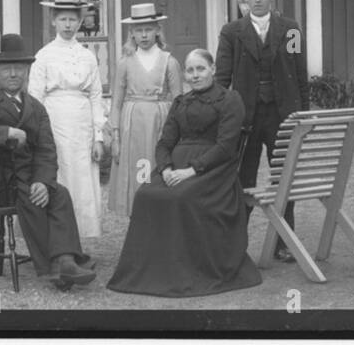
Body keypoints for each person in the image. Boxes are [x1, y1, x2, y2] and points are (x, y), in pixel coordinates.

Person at [108, 49, 262, 297]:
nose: (195, 75)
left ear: (212, 69)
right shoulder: (180, 102)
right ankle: (156, 270)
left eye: (200, 69)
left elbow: (226, 146)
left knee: (179, 198)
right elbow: (164, 143)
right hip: (176, 167)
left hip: (214, 171)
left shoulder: (230, 99)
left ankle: (184, 270)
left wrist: (191, 171)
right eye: (190, 70)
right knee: (145, 194)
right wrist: (167, 168)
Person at [0, 34, 97, 289]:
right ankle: (51, 266)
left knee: (59, 193)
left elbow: (46, 149)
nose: (13, 74)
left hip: (25, 178)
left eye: (19, 68)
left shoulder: (35, 107)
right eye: (6, 68)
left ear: (27, 72)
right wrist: (6, 133)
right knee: (29, 195)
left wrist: (43, 181)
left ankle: (65, 260)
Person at [215, 0, 308, 261]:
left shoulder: (290, 29)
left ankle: (285, 242)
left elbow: (299, 73)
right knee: (243, 177)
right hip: (246, 118)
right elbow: (222, 78)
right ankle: (236, 244)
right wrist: (220, 117)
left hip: (283, 115)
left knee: (284, 176)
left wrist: (302, 116)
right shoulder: (231, 33)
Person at [28, 0, 106, 237]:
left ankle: (79, 237)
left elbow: (95, 96)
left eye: (73, 19)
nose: (68, 24)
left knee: (82, 179)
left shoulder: (86, 56)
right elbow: (35, 99)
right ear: (53, 20)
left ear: (80, 21)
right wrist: (36, 135)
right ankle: (57, 238)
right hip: (54, 122)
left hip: (82, 125)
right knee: (59, 174)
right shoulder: (43, 55)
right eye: (63, 19)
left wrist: (98, 137)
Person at [105, 3, 183, 216]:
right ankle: (138, 215)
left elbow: (179, 103)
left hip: (160, 122)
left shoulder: (169, 62)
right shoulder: (125, 63)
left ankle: (159, 216)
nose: (144, 35)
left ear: (157, 30)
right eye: (139, 30)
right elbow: (116, 103)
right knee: (140, 169)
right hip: (133, 127)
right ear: (131, 33)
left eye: (148, 29)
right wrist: (115, 136)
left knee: (157, 166)